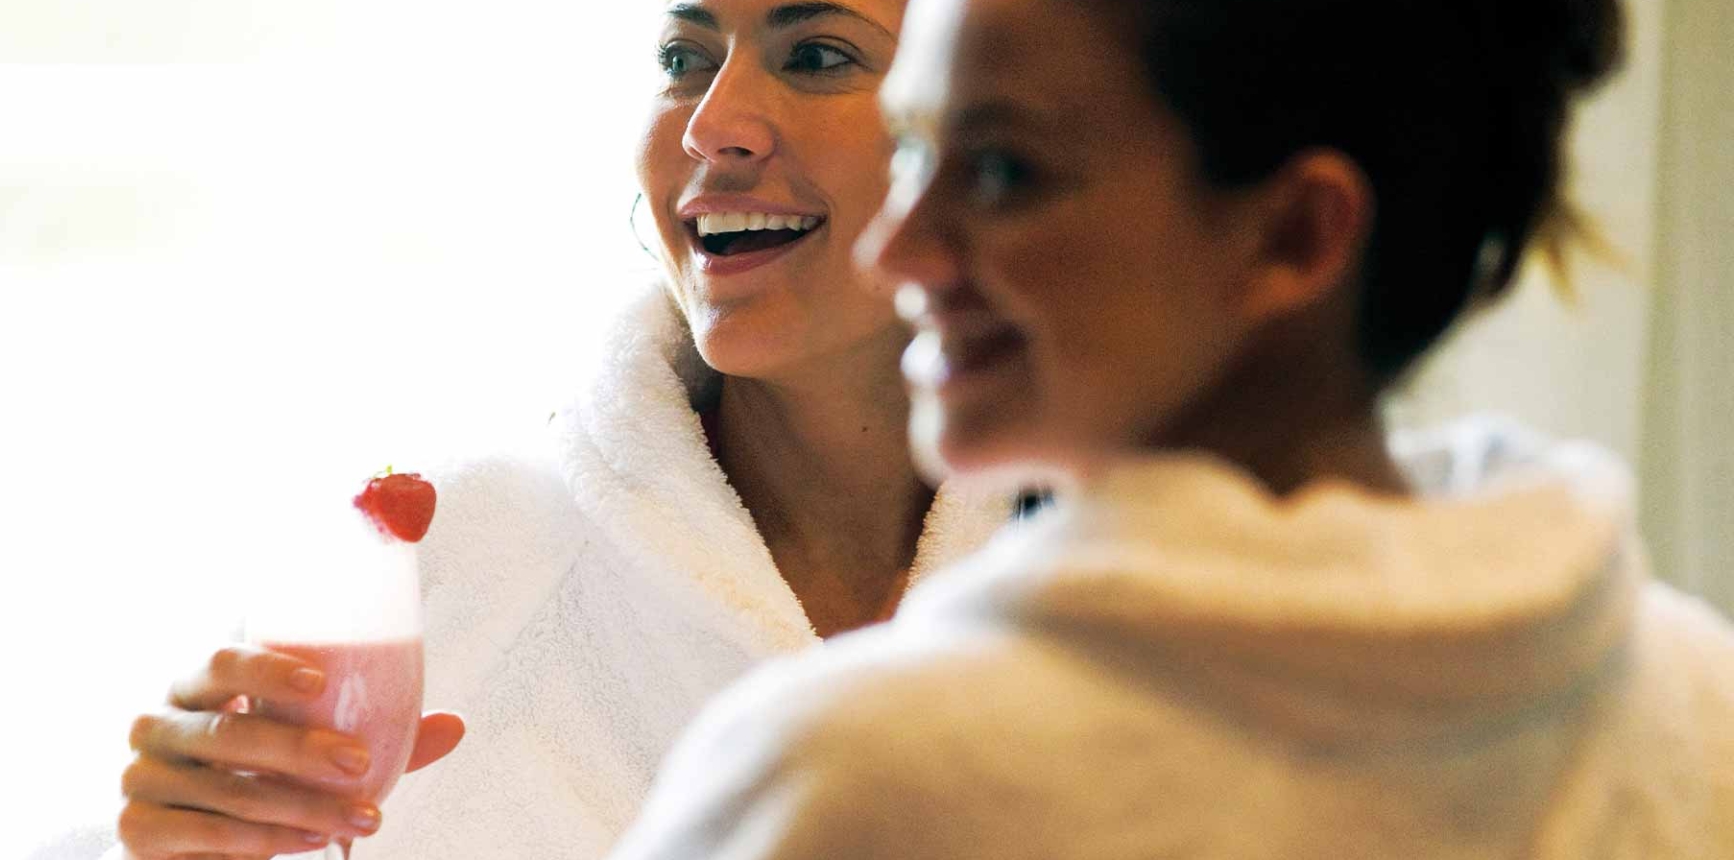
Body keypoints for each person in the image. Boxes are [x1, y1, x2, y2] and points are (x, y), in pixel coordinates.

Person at [607, 0, 1734, 856]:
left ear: (1295, 233)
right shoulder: (1689, 702)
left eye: (1001, 170)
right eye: (914, 150)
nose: (899, 250)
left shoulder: (859, 785)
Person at [101, 1, 1026, 858]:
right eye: (683, 58)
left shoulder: (1137, 587)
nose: (710, 122)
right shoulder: (452, 567)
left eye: (818, 55)